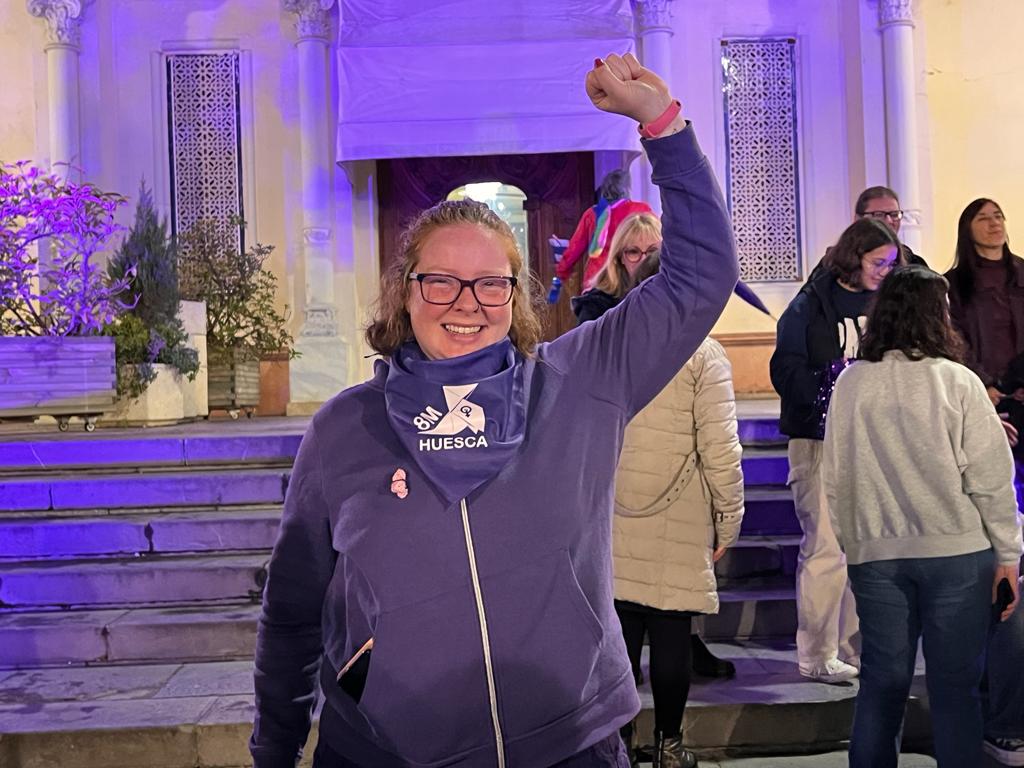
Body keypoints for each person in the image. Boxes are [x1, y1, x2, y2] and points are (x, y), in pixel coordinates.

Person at [250, 53, 740, 768]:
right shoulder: (345, 430)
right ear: (405, 293)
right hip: (388, 751)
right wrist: (276, 747)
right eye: (441, 282)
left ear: (517, 296)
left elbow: (701, 277)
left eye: (491, 284)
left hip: (569, 743)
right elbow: (292, 615)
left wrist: (661, 125)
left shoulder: (580, 382)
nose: (466, 304)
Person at [821, 265, 1023, 768]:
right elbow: (991, 477)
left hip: (877, 556)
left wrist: (855, 543)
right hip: (956, 552)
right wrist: (1009, 554)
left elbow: (836, 474)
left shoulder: (851, 383)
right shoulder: (957, 381)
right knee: (955, 691)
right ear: (938, 315)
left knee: (881, 686)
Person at [576, 250, 744, 768]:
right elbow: (721, 446)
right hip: (681, 509)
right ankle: (670, 748)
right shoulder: (704, 354)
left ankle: (618, 747)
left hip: (612, 507)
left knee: (621, 636)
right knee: (671, 631)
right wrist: (729, 519)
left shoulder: (608, 345)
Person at [769, 218, 902, 683]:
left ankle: (847, 647)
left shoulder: (887, 304)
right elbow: (784, 369)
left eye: (891, 263)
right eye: (877, 263)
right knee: (825, 547)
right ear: (854, 257)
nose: (886, 271)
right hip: (819, 440)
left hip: (870, 443)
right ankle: (815, 651)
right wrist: (828, 387)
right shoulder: (809, 305)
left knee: (861, 548)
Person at [943, 198, 1024, 766]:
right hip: (976, 407)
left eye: (998, 215)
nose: (994, 223)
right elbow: (953, 343)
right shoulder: (953, 285)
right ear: (968, 228)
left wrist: (1015, 388)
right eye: (983, 217)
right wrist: (984, 392)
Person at [549, 169, 653, 300]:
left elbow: (573, 251)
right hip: (628, 280)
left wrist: (559, 278)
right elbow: (658, 241)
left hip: (596, 281)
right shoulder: (640, 210)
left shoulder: (593, 214)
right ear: (626, 188)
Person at [806, 185, 927, 283]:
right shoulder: (833, 264)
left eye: (894, 214)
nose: (889, 221)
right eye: (879, 215)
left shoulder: (913, 263)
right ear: (857, 219)